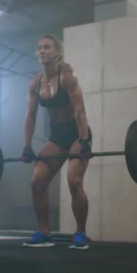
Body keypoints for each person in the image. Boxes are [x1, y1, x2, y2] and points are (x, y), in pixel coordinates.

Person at [21, 34, 92, 250]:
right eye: (39, 47)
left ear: (57, 52)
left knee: (74, 182)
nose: (42, 51)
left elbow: (79, 111)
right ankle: (44, 233)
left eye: (47, 47)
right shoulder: (35, 83)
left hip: (77, 134)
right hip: (57, 137)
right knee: (37, 182)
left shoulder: (67, 75)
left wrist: (84, 141)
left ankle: (80, 233)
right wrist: (27, 145)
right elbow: (30, 115)